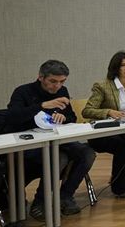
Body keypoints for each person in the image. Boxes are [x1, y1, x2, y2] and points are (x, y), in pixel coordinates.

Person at [5, 60, 96, 218]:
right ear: (41, 77)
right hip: (29, 143)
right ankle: (40, 202)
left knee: (87, 153)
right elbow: (13, 118)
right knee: (58, 158)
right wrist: (42, 106)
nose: (57, 86)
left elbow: (71, 117)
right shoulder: (23, 92)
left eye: (62, 82)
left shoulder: (62, 91)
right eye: (53, 81)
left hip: (57, 139)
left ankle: (65, 196)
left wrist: (63, 117)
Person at [81, 51, 125, 198]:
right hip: (104, 135)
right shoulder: (102, 86)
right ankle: (118, 186)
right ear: (115, 67)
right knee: (124, 145)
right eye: (123, 65)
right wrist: (109, 112)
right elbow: (87, 111)